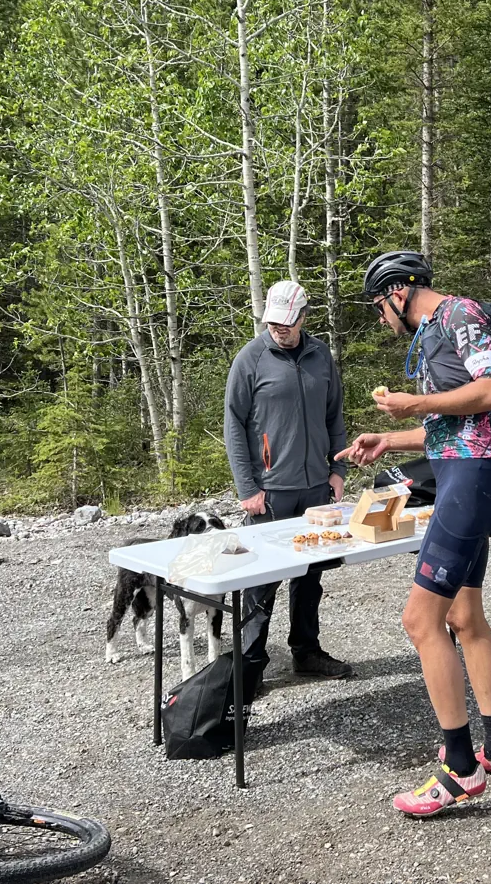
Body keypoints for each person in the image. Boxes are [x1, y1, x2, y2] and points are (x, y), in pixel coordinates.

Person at [338, 250, 491, 817]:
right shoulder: (437, 331)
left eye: (378, 307)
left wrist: (413, 403)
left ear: (397, 292)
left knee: (420, 621)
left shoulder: (460, 314)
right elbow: (453, 424)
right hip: (466, 478)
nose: (380, 319)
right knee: (464, 617)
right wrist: (388, 441)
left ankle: (460, 767)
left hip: (470, 484)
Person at [224, 280, 353, 683]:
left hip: (315, 487)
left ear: (303, 317)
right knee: (261, 580)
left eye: (286, 321)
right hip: (270, 490)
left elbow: (334, 415)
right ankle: (249, 667)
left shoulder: (320, 355)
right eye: (273, 321)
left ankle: (306, 652)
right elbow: (233, 424)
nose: (278, 327)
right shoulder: (250, 359)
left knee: (310, 576)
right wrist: (248, 489)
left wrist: (337, 470)